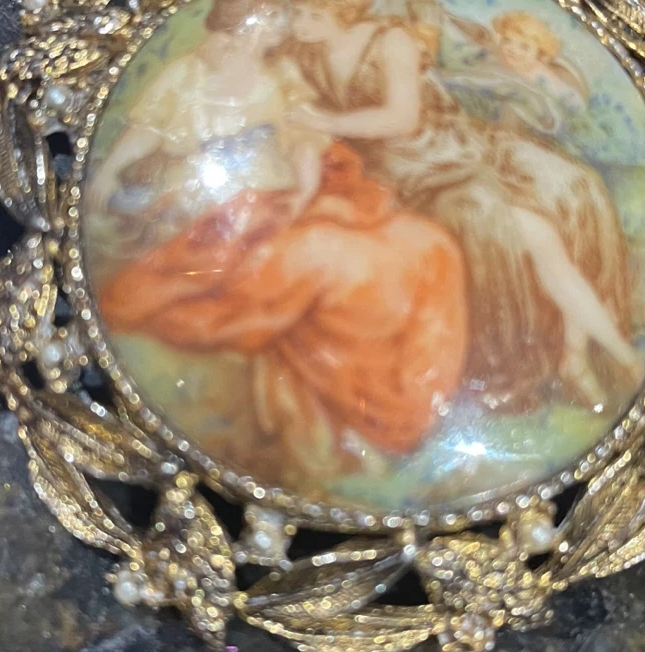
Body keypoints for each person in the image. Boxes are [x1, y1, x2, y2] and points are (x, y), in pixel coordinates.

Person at [285, 0, 642, 410]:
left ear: (343, 15)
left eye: (312, 16)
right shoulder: (302, 54)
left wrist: (324, 120)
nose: (299, 24)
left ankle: (590, 355)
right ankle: (602, 359)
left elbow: (402, 118)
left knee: (575, 187)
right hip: (404, 171)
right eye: (297, 14)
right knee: (534, 233)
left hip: (448, 143)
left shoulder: (390, 41)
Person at [99, 142, 469, 486]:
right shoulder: (429, 237)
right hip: (422, 420)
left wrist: (186, 272)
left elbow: (218, 327)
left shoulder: (312, 248)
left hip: (363, 427)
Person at [90, 0, 328, 224]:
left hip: (269, 194)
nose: (283, 23)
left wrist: (305, 192)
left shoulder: (283, 75)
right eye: (270, 15)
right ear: (240, 21)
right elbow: (147, 128)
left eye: (281, 15)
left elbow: (304, 138)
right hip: (192, 196)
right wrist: (108, 171)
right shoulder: (187, 72)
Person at [447, 10, 589, 136]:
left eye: (524, 47)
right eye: (507, 40)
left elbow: (553, 102)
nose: (512, 49)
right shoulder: (501, 58)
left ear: (540, 54)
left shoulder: (538, 74)